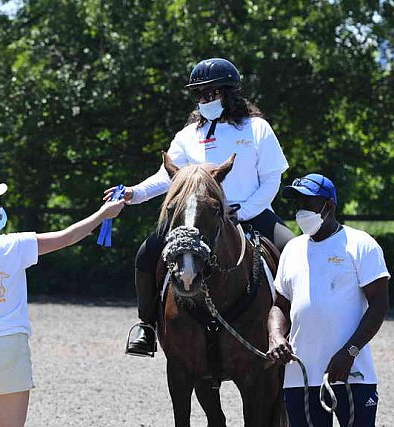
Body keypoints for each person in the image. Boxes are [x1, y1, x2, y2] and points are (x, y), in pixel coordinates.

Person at [104, 57, 295, 357]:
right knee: (146, 252)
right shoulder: (187, 135)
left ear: (229, 93)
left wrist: (241, 213)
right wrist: (133, 193)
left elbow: (272, 179)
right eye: (199, 94)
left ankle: (296, 331)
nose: (204, 99)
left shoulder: (257, 128)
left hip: (253, 214)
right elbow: (167, 177)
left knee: (296, 252)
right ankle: (146, 326)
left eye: (211, 92)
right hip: (196, 221)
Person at [0, 183, 124, 427]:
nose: (1, 207)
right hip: (5, 348)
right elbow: (68, 237)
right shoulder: (12, 245)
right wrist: (104, 213)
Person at [266, 174, 390, 427]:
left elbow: (379, 305)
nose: (301, 211)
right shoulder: (292, 249)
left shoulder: (360, 245)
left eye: (308, 203)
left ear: (329, 206)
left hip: (353, 374)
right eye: (297, 203)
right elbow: (280, 305)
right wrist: (276, 335)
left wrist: (350, 352)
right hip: (299, 375)